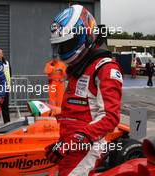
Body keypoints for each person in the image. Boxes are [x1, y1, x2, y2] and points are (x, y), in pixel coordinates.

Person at [44, 5, 123, 176]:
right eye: (61, 46)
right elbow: (74, 113)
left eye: (67, 44)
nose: (63, 50)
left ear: (84, 35)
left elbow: (110, 118)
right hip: (70, 143)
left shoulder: (105, 68)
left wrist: (72, 142)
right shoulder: (78, 67)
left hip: (88, 145)